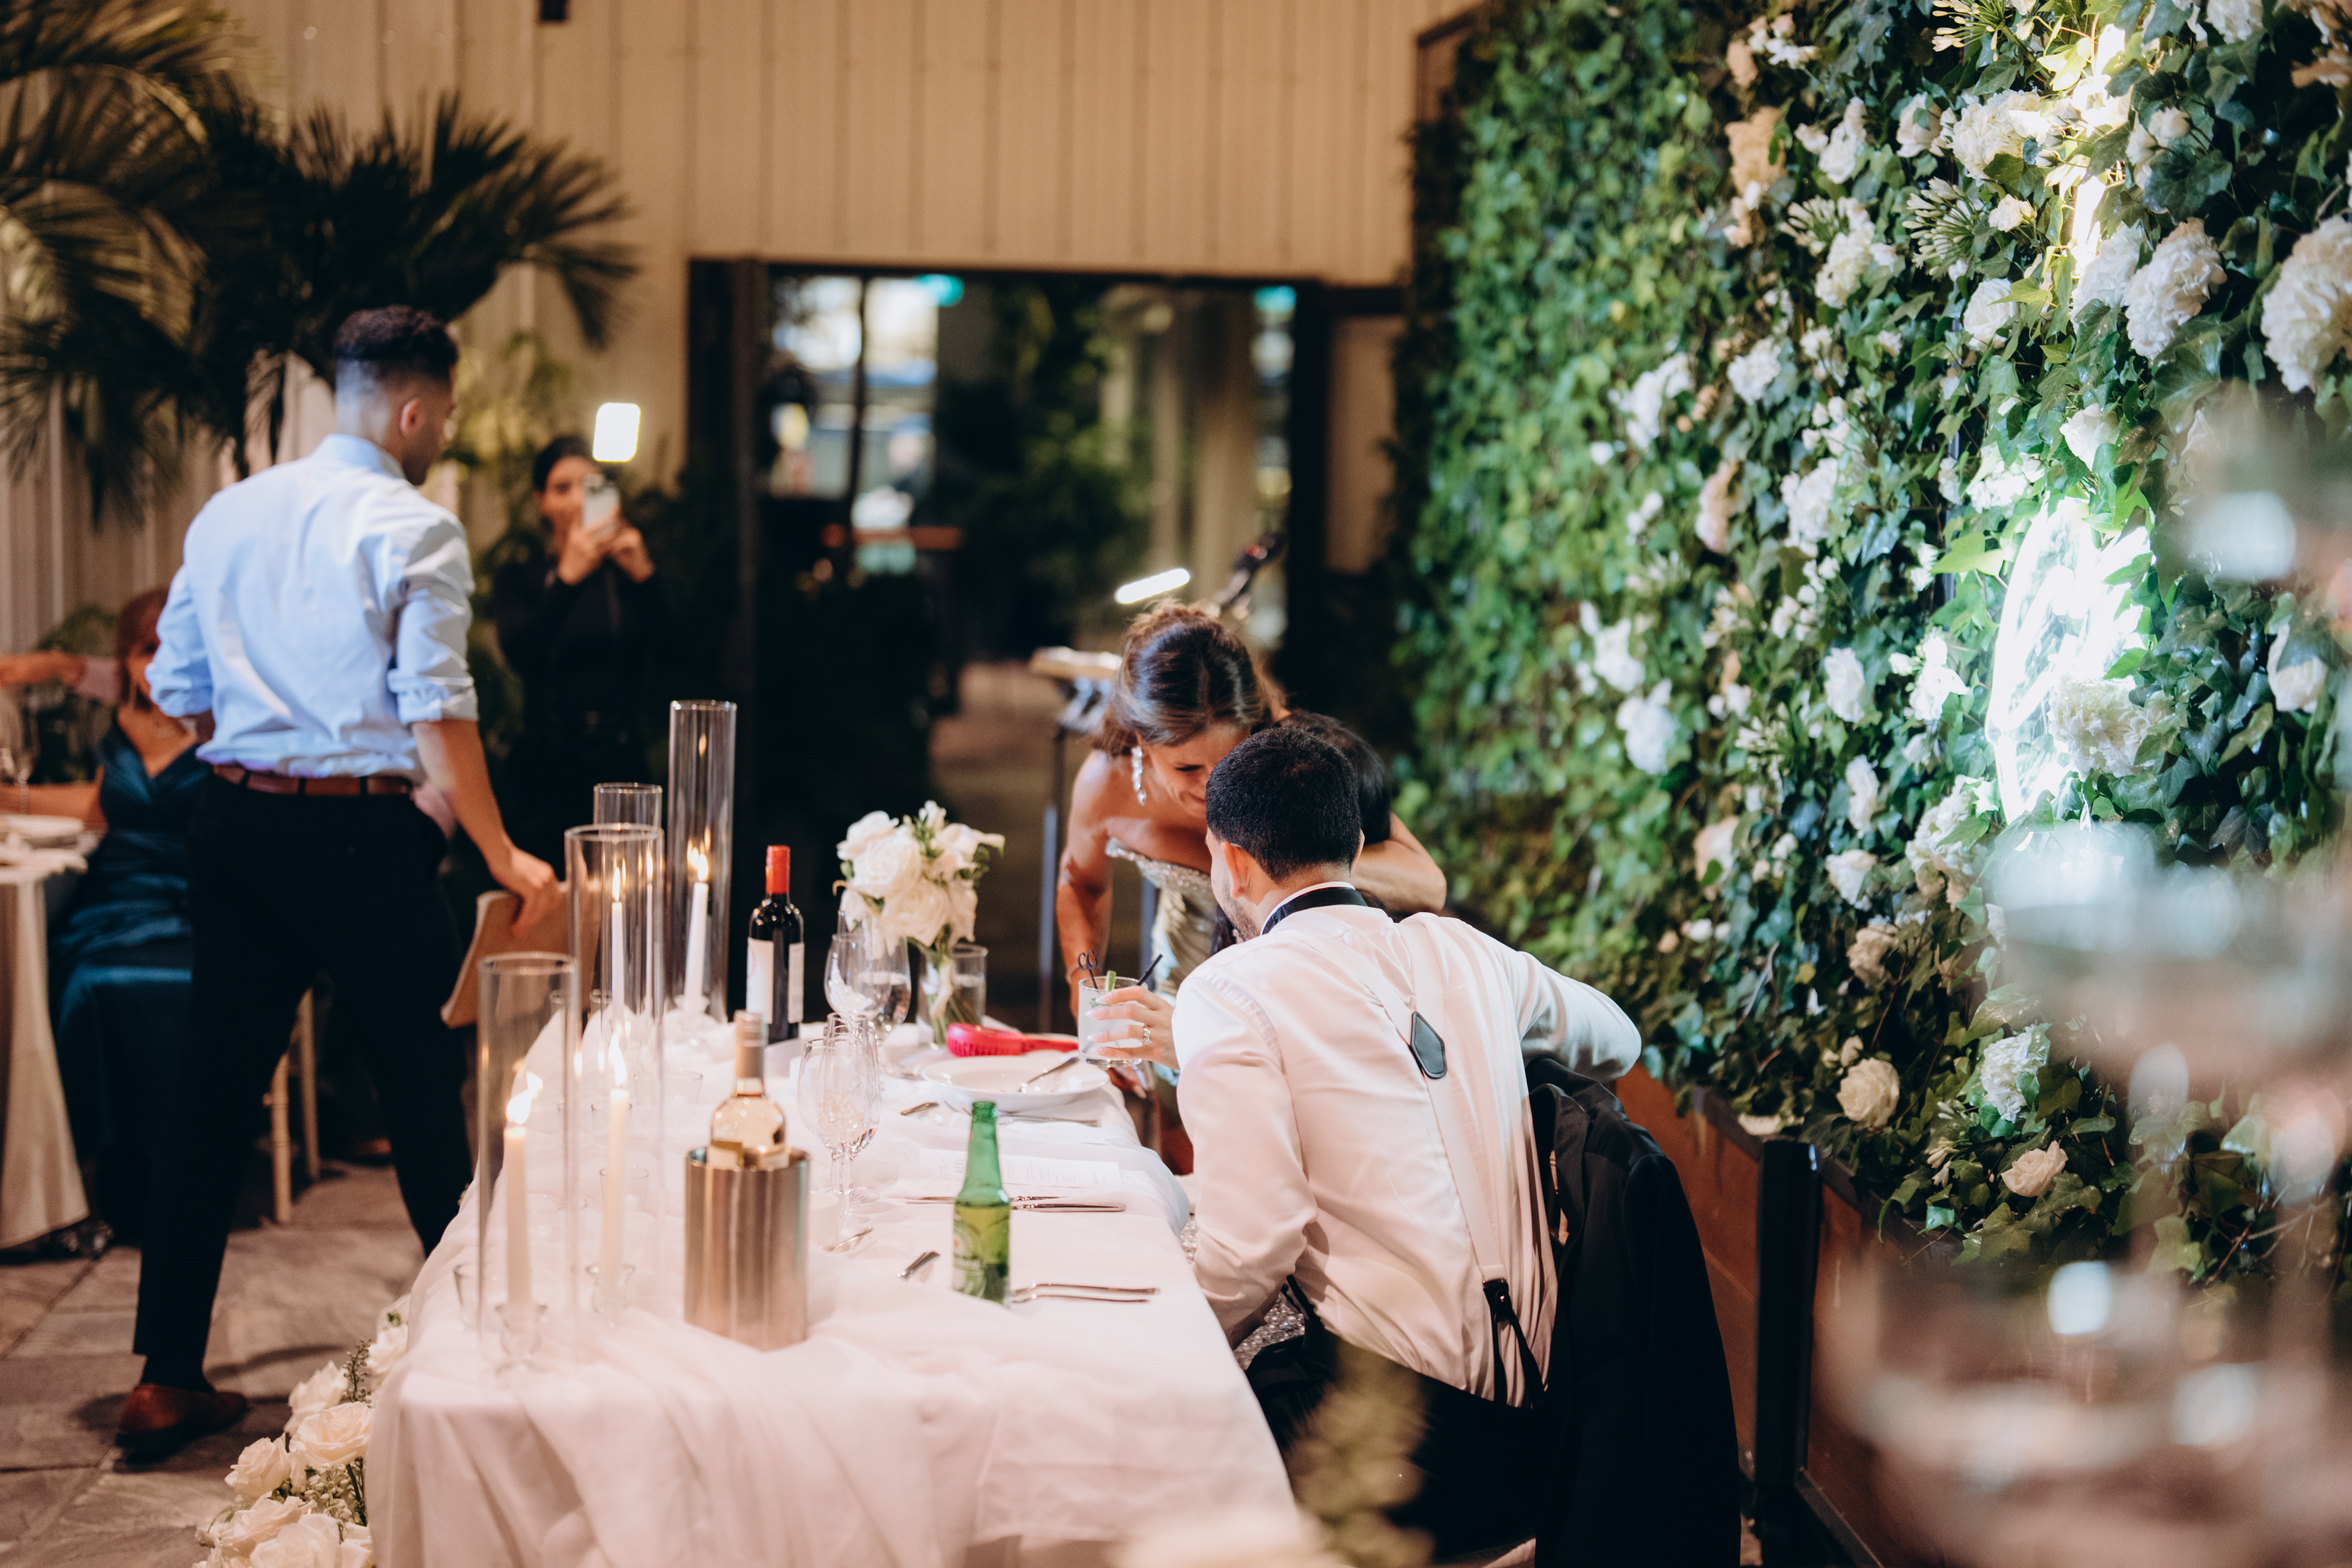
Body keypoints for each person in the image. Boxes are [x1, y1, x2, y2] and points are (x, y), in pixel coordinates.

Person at [123, 305, 561, 1450]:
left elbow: (176, 687)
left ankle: (165, 1373)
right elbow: (439, 710)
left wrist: (266, 738)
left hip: (234, 827)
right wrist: (500, 850)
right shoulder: (417, 526)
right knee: (420, 1087)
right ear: (412, 410)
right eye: (443, 417)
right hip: (363, 838)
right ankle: (487, 1345)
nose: (442, 435)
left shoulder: (229, 512)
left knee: (212, 1092)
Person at [1171, 725, 1641, 1558]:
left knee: (1169, 1428)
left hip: (1400, 1450)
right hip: (1553, 1431)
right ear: (1356, 847)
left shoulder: (1230, 990)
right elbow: (1619, 1041)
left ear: (1233, 863)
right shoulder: (1464, 949)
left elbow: (1254, 1243)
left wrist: (1157, 1335)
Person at [1058, 604, 1446, 1053]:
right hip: (1180, 966)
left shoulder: (1289, 761)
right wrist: (1082, 979)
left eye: (1229, 759)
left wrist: (1299, 857)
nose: (1212, 786)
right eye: (1187, 768)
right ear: (1141, 740)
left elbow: (1428, 885)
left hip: (1283, 991)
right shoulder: (1105, 785)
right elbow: (1080, 883)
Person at [4, 591, 209, 1231]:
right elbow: (102, 807)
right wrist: (9, 799)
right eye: (145, 651)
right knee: (83, 981)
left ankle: (174, 1169)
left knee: (185, 983)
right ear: (126, 659)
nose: (157, 665)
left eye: (172, 648)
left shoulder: (222, 725)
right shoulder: (121, 720)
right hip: (117, 897)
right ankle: (102, 1164)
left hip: (192, 902)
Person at [490, 434, 660, 867]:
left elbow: (680, 653)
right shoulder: (521, 577)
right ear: (541, 502)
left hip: (622, 768)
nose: (578, 499)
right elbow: (522, 653)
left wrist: (646, 577)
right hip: (544, 774)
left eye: (591, 486)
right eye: (562, 488)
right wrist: (567, 579)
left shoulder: (626, 575)